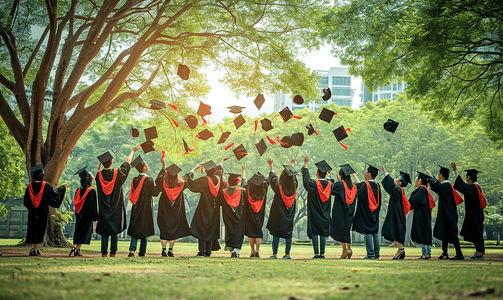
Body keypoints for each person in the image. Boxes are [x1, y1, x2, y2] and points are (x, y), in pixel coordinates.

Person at [96, 144, 140, 257]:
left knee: (105, 233)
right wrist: (133, 151)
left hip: (104, 209)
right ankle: (113, 254)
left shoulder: (98, 175)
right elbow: (127, 163)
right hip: (115, 209)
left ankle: (104, 254)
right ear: (111, 163)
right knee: (114, 232)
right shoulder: (118, 173)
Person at [187, 156, 229, 257]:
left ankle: (201, 252)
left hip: (204, 209)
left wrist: (194, 169)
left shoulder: (204, 180)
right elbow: (219, 171)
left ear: (206, 171)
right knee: (211, 229)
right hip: (214, 210)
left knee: (202, 229)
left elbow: (191, 183)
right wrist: (221, 162)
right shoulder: (219, 180)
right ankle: (208, 252)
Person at [24, 164, 68, 256]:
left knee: (33, 230)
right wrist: (62, 187)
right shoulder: (46, 186)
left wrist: (32, 208)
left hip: (32, 214)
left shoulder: (29, 187)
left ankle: (34, 249)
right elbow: (55, 196)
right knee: (40, 230)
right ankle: (35, 249)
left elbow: (26, 202)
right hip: (42, 213)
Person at [155, 159, 193, 257]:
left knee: (164, 229)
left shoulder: (163, 182)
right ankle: (170, 250)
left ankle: (163, 250)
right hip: (176, 211)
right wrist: (194, 169)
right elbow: (188, 177)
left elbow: (157, 180)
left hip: (164, 210)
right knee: (174, 229)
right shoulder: (181, 183)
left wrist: (163, 166)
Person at [428, 165, 464, 260]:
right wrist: (432, 178)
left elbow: (438, 188)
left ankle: (459, 254)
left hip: (449, 215)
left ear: (441, 175)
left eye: (438, 174)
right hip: (446, 214)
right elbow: (438, 187)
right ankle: (445, 253)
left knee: (452, 234)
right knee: (445, 233)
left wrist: (431, 178)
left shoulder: (446, 186)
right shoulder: (445, 186)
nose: (438, 175)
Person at [127, 155, 160, 257]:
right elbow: (155, 193)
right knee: (144, 230)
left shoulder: (134, 180)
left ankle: (132, 251)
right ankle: (142, 252)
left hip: (136, 208)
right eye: (147, 164)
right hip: (146, 209)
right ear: (145, 167)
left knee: (135, 229)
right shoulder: (148, 179)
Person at [452, 163, 486, 260]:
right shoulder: (477, 188)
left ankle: (479, 253)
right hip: (476, 215)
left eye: (466, 177)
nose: (466, 179)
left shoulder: (474, 188)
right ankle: (479, 252)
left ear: (468, 177)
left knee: (477, 233)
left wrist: (456, 171)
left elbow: (462, 185)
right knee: (476, 232)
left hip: (475, 215)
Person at [266, 156, 298, 259]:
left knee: (276, 232)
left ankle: (274, 254)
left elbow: (273, 178)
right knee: (288, 233)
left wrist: (271, 165)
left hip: (278, 215)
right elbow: (293, 178)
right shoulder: (294, 187)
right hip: (289, 215)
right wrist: (292, 164)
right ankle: (287, 254)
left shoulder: (278, 187)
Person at [301, 156, 332, 259]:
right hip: (325, 214)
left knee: (315, 233)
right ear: (326, 174)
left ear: (317, 174)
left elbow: (306, 181)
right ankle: (322, 253)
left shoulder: (314, 184)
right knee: (323, 233)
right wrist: (329, 176)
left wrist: (305, 165)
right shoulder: (330, 185)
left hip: (314, 214)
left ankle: (316, 253)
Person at [352, 163, 382, 259]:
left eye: (365, 172)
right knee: (374, 232)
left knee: (367, 232)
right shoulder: (377, 185)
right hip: (374, 214)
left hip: (365, 213)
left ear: (369, 174)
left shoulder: (366, 185)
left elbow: (359, 194)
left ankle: (370, 254)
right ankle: (376, 254)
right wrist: (355, 177)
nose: (364, 174)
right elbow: (361, 186)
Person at [380, 166, 411, 259]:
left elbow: (391, 185)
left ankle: (401, 249)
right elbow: (390, 187)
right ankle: (400, 250)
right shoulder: (398, 191)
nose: (395, 179)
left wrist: (386, 172)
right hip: (396, 215)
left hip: (397, 216)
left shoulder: (398, 190)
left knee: (395, 230)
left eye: (397, 178)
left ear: (400, 183)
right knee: (393, 230)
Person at [70, 166, 98, 257]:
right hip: (87, 215)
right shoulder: (91, 191)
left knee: (79, 231)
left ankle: (76, 248)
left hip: (79, 214)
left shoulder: (79, 190)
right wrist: (95, 216)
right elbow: (93, 206)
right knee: (84, 232)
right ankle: (76, 248)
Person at [331, 164, 357, 259]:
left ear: (341, 175)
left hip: (339, 213)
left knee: (338, 231)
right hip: (349, 214)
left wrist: (337, 181)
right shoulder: (353, 187)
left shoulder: (339, 184)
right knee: (346, 231)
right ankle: (349, 249)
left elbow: (332, 192)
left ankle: (345, 250)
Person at [219, 170, 247, 258]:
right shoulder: (242, 191)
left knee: (229, 231)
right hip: (240, 216)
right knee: (239, 232)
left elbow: (220, 203)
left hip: (228, 217)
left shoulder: (223, 192)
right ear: (236, 182)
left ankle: (231, 250)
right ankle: (237, 250)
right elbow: (246, 201)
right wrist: (243, 170)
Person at [408, 171, 435, 259]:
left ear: (420, 180)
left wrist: (408, 205)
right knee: (426, 233)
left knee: (423, 233)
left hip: (421, 215)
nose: (415, 181)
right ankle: (427, 253)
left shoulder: (422, 189)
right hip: (425, 214)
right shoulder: (425, 190)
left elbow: (414, 201)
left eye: (416, 179)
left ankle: (425, 254)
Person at [243, 170, 269, 258]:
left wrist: (244, 170)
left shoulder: (248, 191)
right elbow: (267, 183)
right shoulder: (264, 192)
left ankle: (252, 250)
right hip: (260, 215)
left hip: (249, 215)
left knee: (251, 232)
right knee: (258, 231)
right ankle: (257, 249)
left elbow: (244, 184)